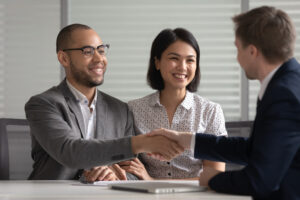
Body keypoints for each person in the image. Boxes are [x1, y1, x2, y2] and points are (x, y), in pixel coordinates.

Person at [150, 6, 300, 200]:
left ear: (253, 51)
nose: (237, 58)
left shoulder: (283, 95)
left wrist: (212, 179)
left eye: (237, 48)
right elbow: (255, 149)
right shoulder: (287, 83)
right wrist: (188, 140)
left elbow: (259, 181)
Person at [25, 23, 183, 180]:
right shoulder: (43, 104)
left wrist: (115, 174)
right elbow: (70, 152)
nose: (99, 58)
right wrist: (140, 143)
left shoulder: (120, 109)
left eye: (101, 50)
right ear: (64, 58)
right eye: (88, 51)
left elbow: (134, 171)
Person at [116, 28, 227, 180]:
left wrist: (152, 182)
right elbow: (124, 164)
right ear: (157, 62)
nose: (182, 67)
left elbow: (214, 176)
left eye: (190, 60)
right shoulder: (133, 109)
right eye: (174, 58)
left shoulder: (211, 111)